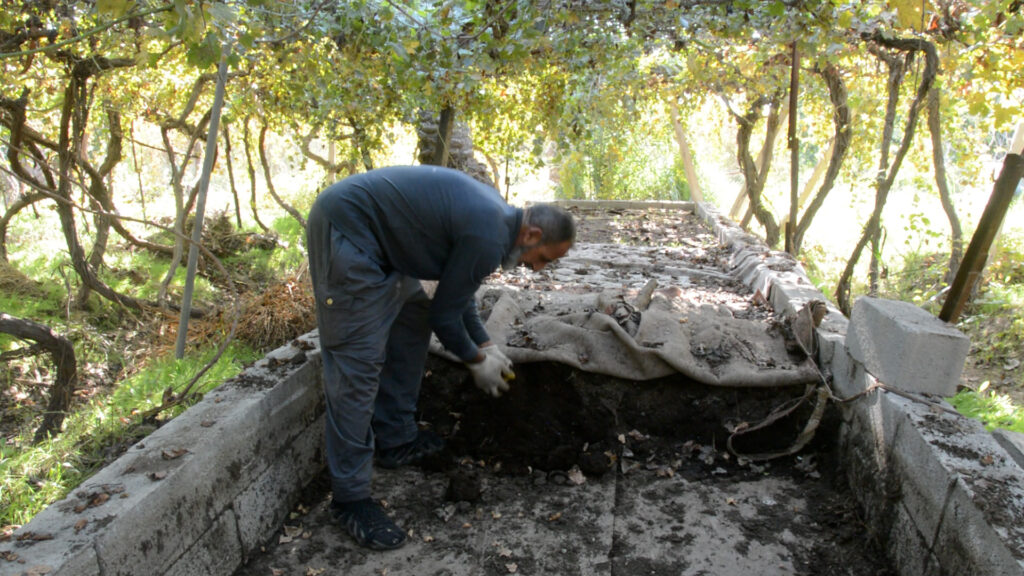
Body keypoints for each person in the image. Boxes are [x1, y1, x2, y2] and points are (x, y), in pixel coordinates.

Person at [306, 165, 575, 550]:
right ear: (532, 235)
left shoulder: (498, 222)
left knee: (411, 316)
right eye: (543, 258)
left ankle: (395, 438)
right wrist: (474, 360)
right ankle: (350, 500)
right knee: (357, 365)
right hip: (351, 231)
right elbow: (445, 317)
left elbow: (456, 293)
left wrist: (484, 344)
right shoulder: (488, 233)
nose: (538, 269)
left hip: (384, 244)